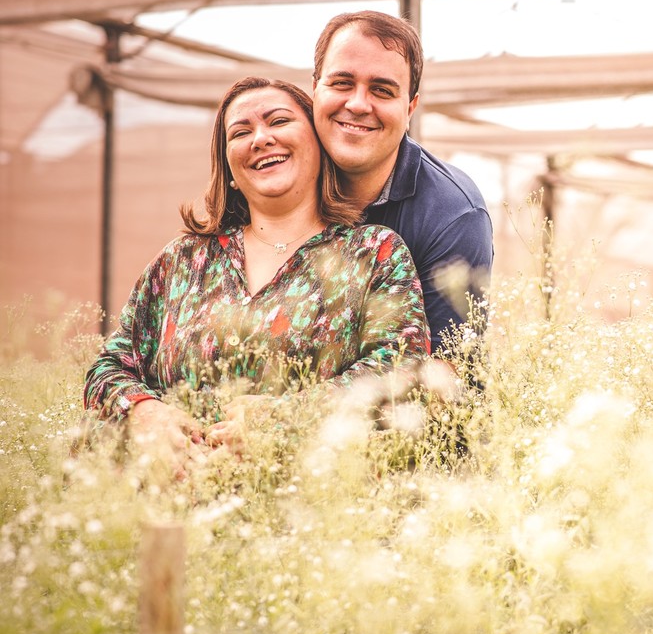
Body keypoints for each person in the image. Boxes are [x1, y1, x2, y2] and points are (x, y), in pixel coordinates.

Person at [83, 76, 430, 457]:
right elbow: (110, 366)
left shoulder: (373, 254)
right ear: (229, 168)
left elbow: (401, 370)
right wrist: (145, 412)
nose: (260, 139)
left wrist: (287, 419)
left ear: (317, 142)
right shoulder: (181, 262)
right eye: (240, 132)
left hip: (311, 504)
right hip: (168, 507)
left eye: (279, 121)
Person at [312, 10, 493, 357]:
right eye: (341, 83)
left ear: (410, 108)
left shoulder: (453, 213)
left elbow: (449, 374)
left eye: (381, 90)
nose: (358, 104)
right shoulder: (281, 172)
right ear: (315, 88)